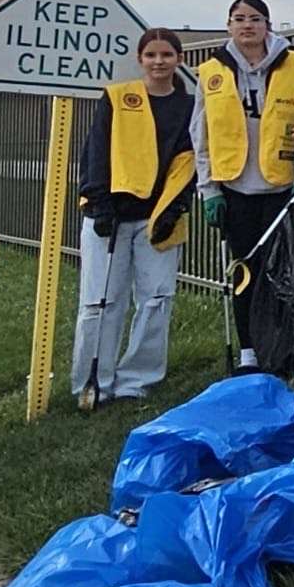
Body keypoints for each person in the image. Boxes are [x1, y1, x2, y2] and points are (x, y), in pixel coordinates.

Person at [191, 0, 294, 373]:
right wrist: (209, 189)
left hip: (280, 188)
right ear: (228, 25)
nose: (247, 26)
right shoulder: (211, 72)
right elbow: (200, 135)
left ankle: (283, 345)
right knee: (243, 270)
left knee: (283, 271)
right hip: (234, 189)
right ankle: (249, 348)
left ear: (268, 24)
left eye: (255, 19)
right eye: (238, 19)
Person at [68, 30, 194, 407]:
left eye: (167, 54)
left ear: (179, 59)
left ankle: (136, 379)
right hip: (109, 216)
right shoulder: (117, 97)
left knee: (157, 298)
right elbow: (96, 151)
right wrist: (99, 202)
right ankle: (92, 380)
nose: (159, 62)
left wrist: (175, 209)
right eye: (151, 55)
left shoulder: (190, 105)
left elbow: (191, 161)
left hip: (159, 217)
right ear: (140, 59)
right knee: (99, 301)